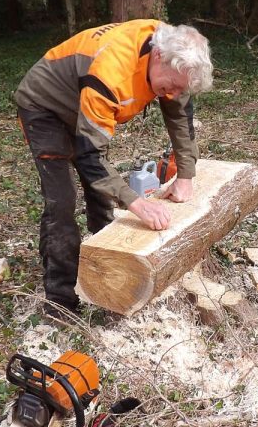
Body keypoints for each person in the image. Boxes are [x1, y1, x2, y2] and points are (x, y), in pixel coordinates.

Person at [14, 19, 214, 319]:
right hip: (47, 108)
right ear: (157, 56)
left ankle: (107, 271)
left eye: (179, 88)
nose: (171, 94)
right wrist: (136, 203)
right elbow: (90, 156)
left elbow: (179, 116)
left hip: (85, 102)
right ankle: (60, 300)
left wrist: (185, 173)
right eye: (170, 86)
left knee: (102, 195)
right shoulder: (112, 71)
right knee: (62, 200)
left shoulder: (177, 61)